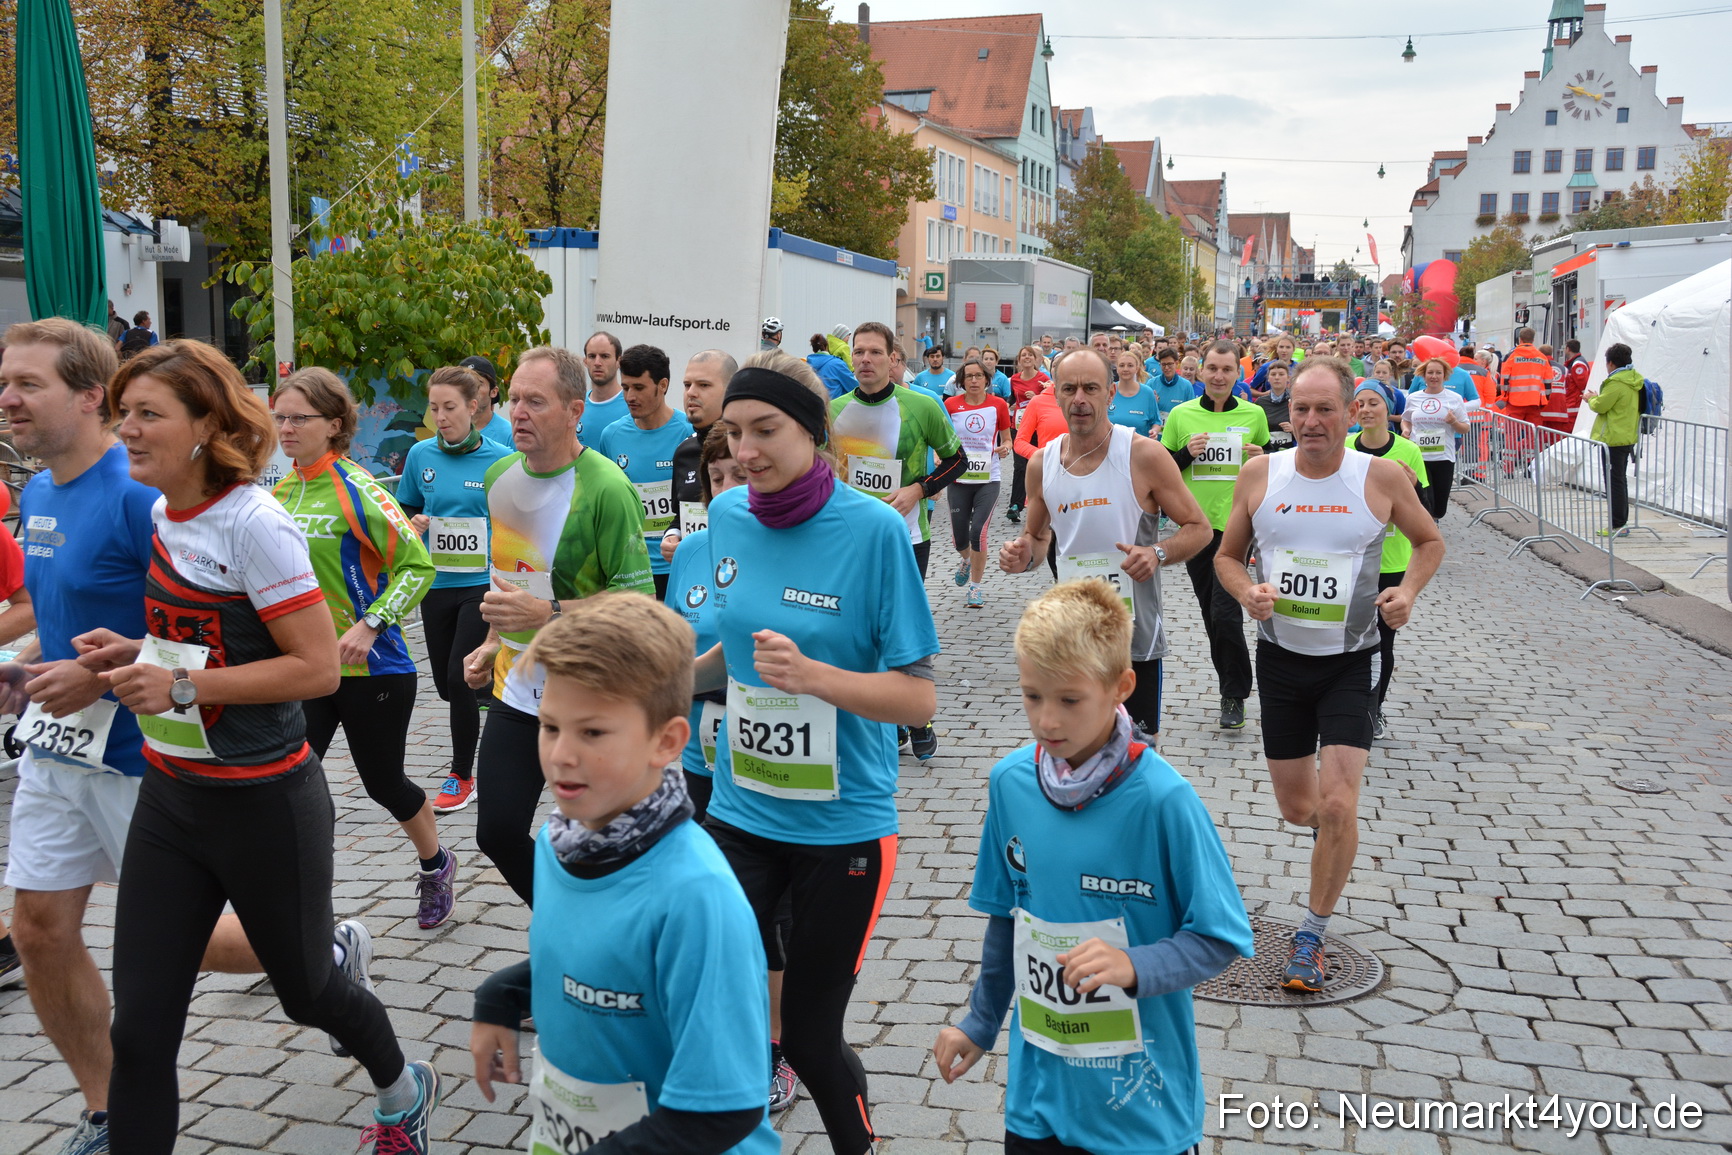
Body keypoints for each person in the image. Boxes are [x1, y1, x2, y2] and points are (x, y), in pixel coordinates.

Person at [85, 339, 440, 1155]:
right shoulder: (161, 512)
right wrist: (139, 649)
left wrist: (179, 687)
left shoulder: (255, 521)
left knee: (309, 990)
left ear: (206, 423)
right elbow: (208, 639)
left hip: (265, 801)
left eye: (147, 414)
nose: (126, 430)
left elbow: (315, 669)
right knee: (139, 1028)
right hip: (173, 798)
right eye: (122, 412)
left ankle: (403, 1087)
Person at [0, 320, 267, 1155]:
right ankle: (106, 1108)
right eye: (5, 382)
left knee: (206, 943)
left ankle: (317, 951)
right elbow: (56, 611)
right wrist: (20, 660)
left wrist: (103, 677)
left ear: (90, 397)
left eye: (28, 384)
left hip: (141, 756)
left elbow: (216, 631)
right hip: (57, 749)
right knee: (39, 928)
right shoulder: (39, 492)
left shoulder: (142, 495)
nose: (7, 397)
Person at [695, 351, 939, 1155]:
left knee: (806, 1035)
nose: (747, 451)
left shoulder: (871, 532)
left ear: (812, 430)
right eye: (734, 433)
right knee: (717, 1010)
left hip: (843, 831)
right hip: (739, 812)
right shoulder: (727, 516)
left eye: (764, 430)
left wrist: (818, 677)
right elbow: (728, 658)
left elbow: (918, 697)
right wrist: (636, 679)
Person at [932, 579, 1253, 1155]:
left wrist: (1133, 965)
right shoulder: (1011, 783)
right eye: (1032, 696)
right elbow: (1009, 919)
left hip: (1141, 1112)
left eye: (1069, 699)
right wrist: (979, 1023)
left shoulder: (1164, 800)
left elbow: (1220, 936)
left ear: (1120, 687)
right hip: (1039, 1104)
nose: (1047, 720)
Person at [467, 595, 780, 1155]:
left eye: (592, 733)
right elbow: (600, 961)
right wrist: (504, 993)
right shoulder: (562, 844)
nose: (561, 754)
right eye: (549, 726)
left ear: (667, 741)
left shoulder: (695, 895)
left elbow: (726, 1109)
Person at [1214, 356, 1441, 993]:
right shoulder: (1261, 474)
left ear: (1351, 411)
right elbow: (1227, 558)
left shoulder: (1383, 476)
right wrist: (1247, 593)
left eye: (1325, 409)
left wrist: (1409, 594)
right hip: (1281, 660)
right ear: (1290, 412)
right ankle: (1335, 834)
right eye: (1302, 409)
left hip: (1352, 661)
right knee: (1298, 808)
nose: (1312, 421)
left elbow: (1429, 543)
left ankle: (1310, 934)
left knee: (1339, 802)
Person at [463, 345, 655, 907]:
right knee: (496, 833)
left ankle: (615, 933)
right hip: (518, 688)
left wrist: (548, 616)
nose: (518, 412)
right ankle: (571, 920)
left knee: (604, 841)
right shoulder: (499, 476)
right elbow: (509, 580)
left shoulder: (605, 488)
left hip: (592, 693)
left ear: (575, 411)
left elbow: (637, 605)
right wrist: (492, 641)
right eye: (514, 399)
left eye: (535, 401)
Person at [271, 368, 452, 927]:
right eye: (279, 417)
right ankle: (295, 914)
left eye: (299, 418)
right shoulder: (276, 493)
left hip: (374, 669)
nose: (286, 428)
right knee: (288, 783)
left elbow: (418, 566)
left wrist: (372, 623)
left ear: (334, 424)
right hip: (306, 670)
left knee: (383, 783)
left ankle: (436, 863)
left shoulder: (360, 488)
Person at [1000, 348, 1212, 742]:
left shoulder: (1143, 454)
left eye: (1091, 388)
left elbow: (1199, 528)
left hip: (1134, 639)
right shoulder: (1041, 464)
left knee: (1136, 760)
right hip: (1072, 634)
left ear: (1110, 393)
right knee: (1075, 748)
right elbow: (1039, 537)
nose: (1080, 398)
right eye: (1069, 388)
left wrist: (1158, 553)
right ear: (1056, 394)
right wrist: (1022, 554)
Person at [831, 322, 962, 760]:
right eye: (858, 353)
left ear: (892, 359)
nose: (865, 360)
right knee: (858, 627)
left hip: (907, 535)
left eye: (874, 352)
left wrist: (918, 490)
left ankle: (917, 716)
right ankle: (878, 714)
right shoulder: (832, 411)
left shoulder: (921, 406)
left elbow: (957, 461)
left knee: (900, 627)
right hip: (848, 538)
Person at [395, 364, 515, 813]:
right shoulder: (420, 456)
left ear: (473, 406)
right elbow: (402, 513)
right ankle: (493, 687)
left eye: (450, 407)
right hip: (436, 581)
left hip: (481, 585)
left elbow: (518, 521)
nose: (441, 416)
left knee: (456, 678)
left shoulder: (502, 459)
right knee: (450, 689)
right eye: (434, 408)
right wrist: (413, 523)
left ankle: (462, 774)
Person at [1160, 340, 1271, 730]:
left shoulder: (1254, 414)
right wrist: (1186, 454)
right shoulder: (1181, 415)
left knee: (1226, 613)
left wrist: (1262, 459)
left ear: (1237, 374)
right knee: (1212, 613)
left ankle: (1234, 695)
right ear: (1201, 371)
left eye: (1227, 369)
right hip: (1196, 528)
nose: (1219, 376)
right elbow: (1163, 471)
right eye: (1212, 368)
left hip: (1237, 526)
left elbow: (1271, 470)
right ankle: (1230, 681)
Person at [665, 427, 747, 820]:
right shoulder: (690, 550)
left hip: (774, 752)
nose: (727, 489)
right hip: (701, 753)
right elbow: (671, 648)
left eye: (741, 476)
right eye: (717, 478)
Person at [1346, 383, 1429, 739]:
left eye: (1374, 403)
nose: (1366, 409)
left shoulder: (1408, 451)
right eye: (1360, 403)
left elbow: (1426, 512)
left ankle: (1373, 708)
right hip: (1348, 559)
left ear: (1388, 408)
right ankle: (1345, 706)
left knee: (1382, 642)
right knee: (1345, 639)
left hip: (1391, 561)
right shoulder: (1345, 446)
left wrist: (1415, 488)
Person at [597, 344, 694, 600]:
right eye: (625, 387)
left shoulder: (687, 432)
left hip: (677, 563)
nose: (629, 396)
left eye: (639, 388)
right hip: (632, 568)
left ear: (662, 386)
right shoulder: (612, 435)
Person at [943, 358, 1013, 608]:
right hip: (959, 478)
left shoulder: (998, 405)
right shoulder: (950, 405)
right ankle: (967, 559)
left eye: (978, 376)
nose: (974, 380)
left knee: (978, 532)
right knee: (959, 539)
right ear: (961, 381)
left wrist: (1004, 448)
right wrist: (941, 456)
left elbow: (1007, 439)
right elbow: (942, 440)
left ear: (987, 379)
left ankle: (975, 587)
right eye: (969, 376)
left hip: (988, 478)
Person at [664, 349, 738, 560]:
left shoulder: (748, 452)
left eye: (703, 385)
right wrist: (673, 535)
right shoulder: (683, 453)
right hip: (693, 579)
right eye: (687, 385)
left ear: (730, 389)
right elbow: (680, 516)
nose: (691, 393)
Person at [1584, 342, 1643, 538]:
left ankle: (1618, 524)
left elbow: (1601, 406)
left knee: (1614, 481)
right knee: (1619, 479)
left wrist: (1590, 398)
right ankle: (1621, 521)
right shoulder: (1633, 379)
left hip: (1613, 437)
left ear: (1610, 363)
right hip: (1626, 435)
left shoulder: (1616, 382)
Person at [1401, 357, 1471, 519]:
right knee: (1425, 500)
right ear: (1423, 375)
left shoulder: (1454, 398)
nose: (1434, 376)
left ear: (1445, 376)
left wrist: (1453, 421)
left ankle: (1434, 519)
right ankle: (1427, 530)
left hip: (1443, 457)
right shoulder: (1414, 398)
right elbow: (1406, 419)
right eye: (1430, 372)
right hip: (1419, 456)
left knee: (1440, 508)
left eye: (1438, 373)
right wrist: (1406, 430)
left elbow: (1466, 427)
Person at [577, 331, 629, 448]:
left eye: (605, 356)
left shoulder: (632, 406)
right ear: (585, 361)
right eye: (592, 356)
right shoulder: (576, 407)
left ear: (618, 362)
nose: (597, 363)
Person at [460, 354, 516, 449]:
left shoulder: (510, 435)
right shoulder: (447, 432)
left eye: (479, 383)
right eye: (465, 383)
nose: (471, 389)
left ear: (493, 392)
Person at [1498, 326, 1550, 426]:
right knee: (1533, 433)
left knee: (1512, 432)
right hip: (1535, 401)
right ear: (1533, 340)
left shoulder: (1511, 356)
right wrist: (1545, 399)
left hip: (1515, 401)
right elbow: (1548, 381)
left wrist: (1504, 397)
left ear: (1520, 339)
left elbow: (1504, 379)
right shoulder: (1542, 357)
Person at [1107, 350, 1159, 436]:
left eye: (1130, 365)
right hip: (1111, 447)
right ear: (1117, 368)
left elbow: (1156, 422)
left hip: (1139, 448)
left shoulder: (1147, 393)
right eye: (1122, 365)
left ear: (1137, 368)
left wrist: (1154, 431)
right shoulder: (1109, 391)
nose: (1125, 369)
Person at [1255, 360, 1295, 451]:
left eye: (1281, 374)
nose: (1277, 378)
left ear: (1288, 378)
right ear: (1268, 378)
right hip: (1266, 453)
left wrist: (1293, 430)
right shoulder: (1260, 403)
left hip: (1290, 453)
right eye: (1273, 374)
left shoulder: (1295, 402)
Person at [1149, 347, 1192, 430]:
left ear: (1176, 363)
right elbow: (1146, 411)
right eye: (1163, 364)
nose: (1166, 368)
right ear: (1159, 365)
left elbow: (1190, 413)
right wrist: (1153, 403)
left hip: (1177, 434)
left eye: (1170, 364)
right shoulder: (1151, 383)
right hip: (1156, 436)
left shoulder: (1186, 386)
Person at [806, 333, 858, 400]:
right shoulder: (837, 364)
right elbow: (853, 387)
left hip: (814, 407)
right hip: (834, 407)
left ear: (813, 349)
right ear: (827, 346)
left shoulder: (806, 366)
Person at [1562, 338, 1591, 430]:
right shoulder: (1575, 363)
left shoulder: (1577, 364)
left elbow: (1583, 385)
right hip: (1573, 403)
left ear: (1568, 349)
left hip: (1574, 404)